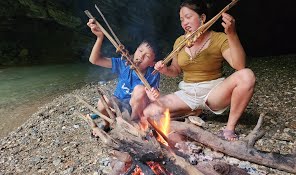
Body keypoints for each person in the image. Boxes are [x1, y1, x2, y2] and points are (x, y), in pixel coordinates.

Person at [143, 0, 255, 141]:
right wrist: (165, 69)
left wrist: (232, 34)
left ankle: (229, 129)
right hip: (187, 93)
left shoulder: (219, 38)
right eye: (182, 19)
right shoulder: (180, 42)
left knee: (247, 75)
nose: (184, 23)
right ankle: (193, 112)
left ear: (202, 18)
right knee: (149, 112)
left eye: (188, 17)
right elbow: (175, 70)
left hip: (213, 92)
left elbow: (239, 65)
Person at [87, 19, 160, 123]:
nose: (141, 56)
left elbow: (153, 97)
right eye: (140, 51)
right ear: (135, 50)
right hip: (118, 102)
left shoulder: (153, 73)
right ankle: (107, 123)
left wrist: (154, 96)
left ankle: (134, 122)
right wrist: (99, 37)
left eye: (147, 56)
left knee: (140, 89)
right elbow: (94, 60)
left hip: (136, 108)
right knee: (102, 102)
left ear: (152, 63)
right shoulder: (124, 63)